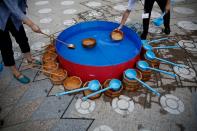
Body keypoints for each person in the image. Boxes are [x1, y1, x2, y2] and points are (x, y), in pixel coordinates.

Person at [0, 0, 42, 84]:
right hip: (1, 17)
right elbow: (13, 8)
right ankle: (15, 71)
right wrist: (32, 24)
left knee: (22, 37)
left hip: (13, 15)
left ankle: (29, 59)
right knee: (6, 46)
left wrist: (23, 15)